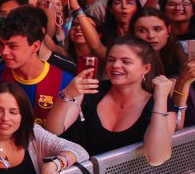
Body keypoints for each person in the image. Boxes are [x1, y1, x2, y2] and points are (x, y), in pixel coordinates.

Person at [46, 37, 177, 163]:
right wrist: (67, 93)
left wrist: (161, 98)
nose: (115, 65)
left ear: (146, 68)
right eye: (110, 60)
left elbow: (156, 158)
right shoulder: (91, 90)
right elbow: (53, 131)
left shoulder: (160, 104)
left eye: (126, 61)